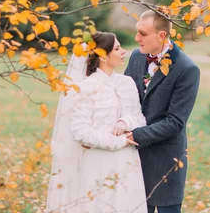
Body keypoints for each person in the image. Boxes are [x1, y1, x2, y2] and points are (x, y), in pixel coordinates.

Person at [46, 32, 147, 213]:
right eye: (117, 48)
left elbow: (140, 118)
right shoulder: (86, 88)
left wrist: (125, 122)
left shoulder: (127, 83)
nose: (123, 51)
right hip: (98, 162)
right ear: (102, 55)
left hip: (128, 162)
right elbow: (80, 132)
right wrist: (119, 141)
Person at [124, 11, 201, 213]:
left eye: (142, 33)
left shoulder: (187, 69)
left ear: (161, 36)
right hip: (133, 157)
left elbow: (175, 122)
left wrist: (136, 134)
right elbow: (124, 98)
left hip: (165, 161)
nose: (136, 38)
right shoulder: (136, 57)